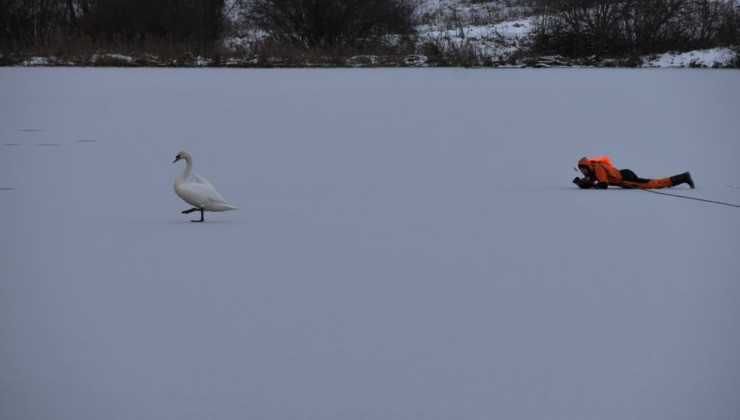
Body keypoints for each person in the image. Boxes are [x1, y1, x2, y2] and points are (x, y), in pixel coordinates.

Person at [573, 156, 694, 189]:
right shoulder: (593, 170)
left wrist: (589, 185)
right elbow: (592, 181)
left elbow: (603, 184)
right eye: (581, 169)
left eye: (584, 168)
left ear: (588, 166)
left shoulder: (597, 169)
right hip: (625, 174)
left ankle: (683, 177)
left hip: (626, 178)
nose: (583, 171)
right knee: (653, 183)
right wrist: (583, 183)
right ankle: (683, 177)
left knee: (653, 184)